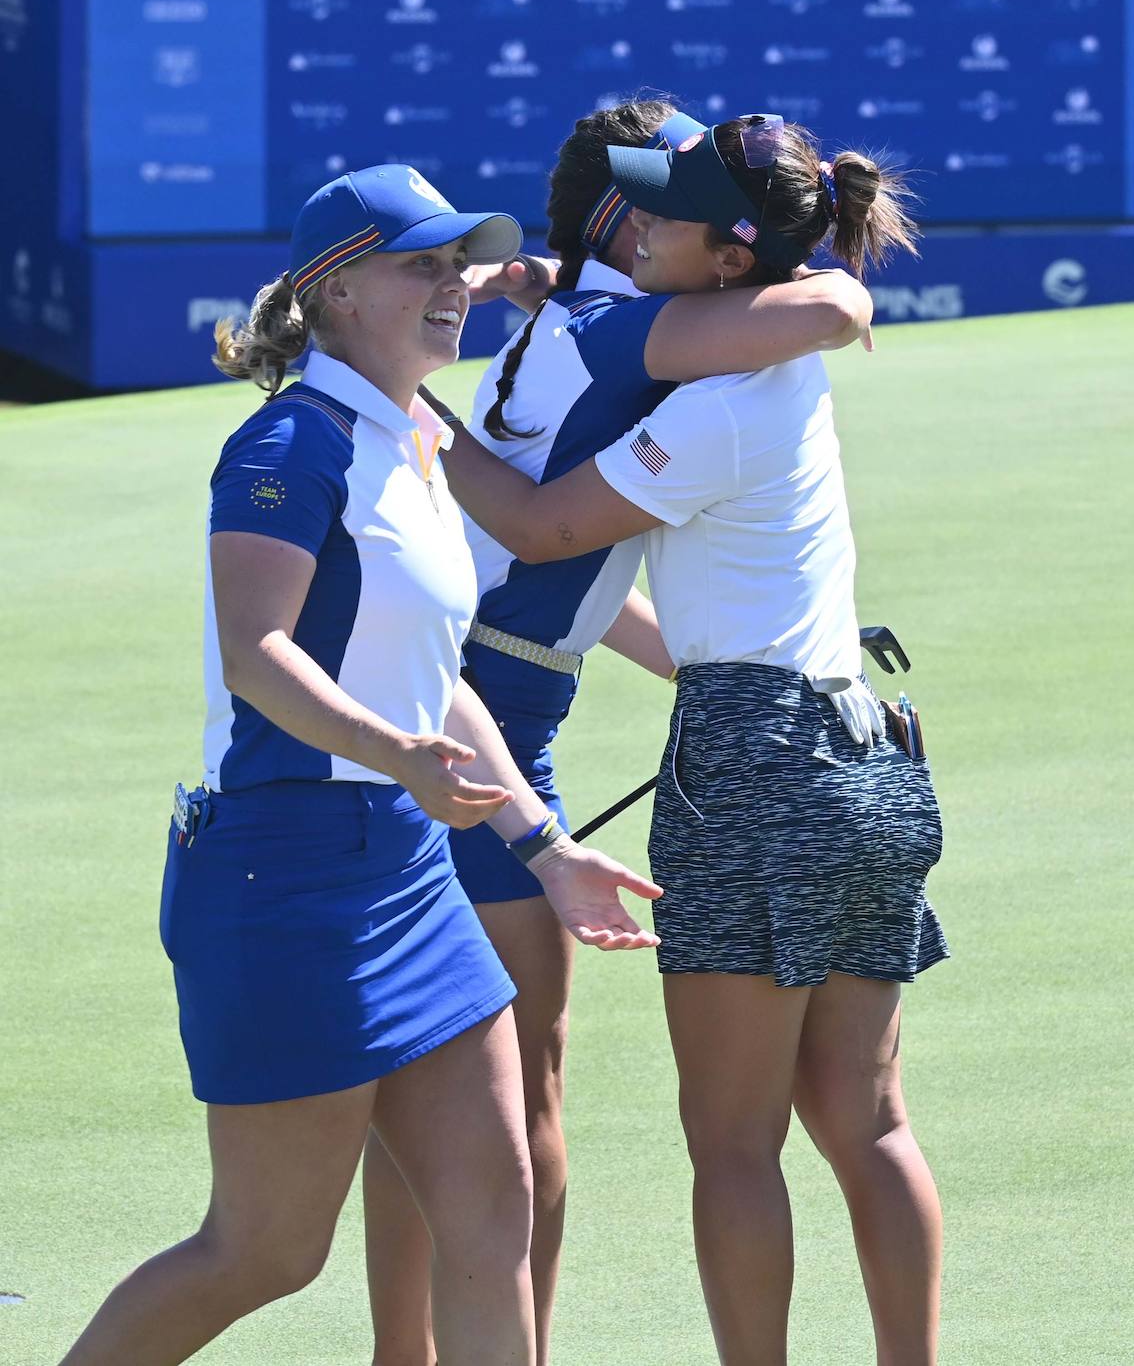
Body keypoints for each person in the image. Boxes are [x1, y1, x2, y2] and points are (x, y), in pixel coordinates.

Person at [58, 164, 665, 1366]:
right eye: (419, 266)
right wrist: (399, 756)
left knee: (495, 1217)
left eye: (458, 266)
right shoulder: (288, 441)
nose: (450, 290)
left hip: (411, 875)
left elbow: (436, 677)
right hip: (279, 874)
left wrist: (545, 851)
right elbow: (257, 653)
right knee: (268, 1251)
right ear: (335, 293)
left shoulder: (420, 442)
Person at [362, 101, 878, 1366]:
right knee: (515, 1098)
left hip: (442, 691)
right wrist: (843, 283)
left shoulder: (558, 325)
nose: (666, 213)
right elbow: (834, 311)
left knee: (418, 1091)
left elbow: (579, 593)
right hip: (486, 732)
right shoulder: (646, 334)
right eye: (653, 199)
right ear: (626, 224)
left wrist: (709, 667)